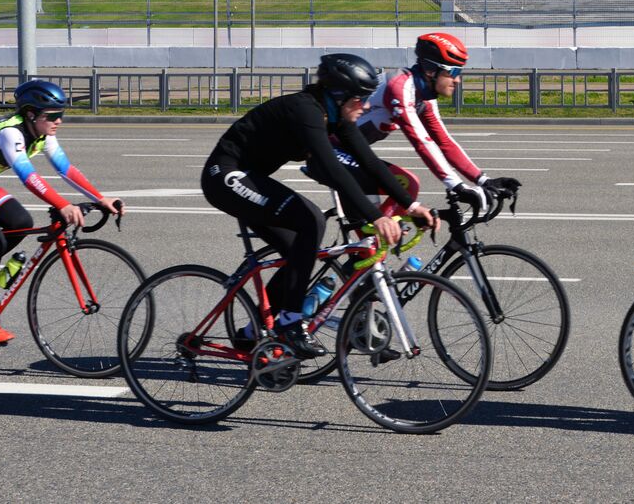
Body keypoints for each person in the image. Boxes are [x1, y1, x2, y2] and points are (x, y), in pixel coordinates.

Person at [201, 54, 432, 358]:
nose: (365, 106)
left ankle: (251, 333)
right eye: (360, 99)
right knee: (311, 220)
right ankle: (291, 322)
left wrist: (410, 205)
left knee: (299, 250)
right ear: (339, 95)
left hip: (251, 177)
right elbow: (332, 168)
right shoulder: (306, 110)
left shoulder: (336, 116)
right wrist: (375, 217)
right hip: (226, 175)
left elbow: (371, 163)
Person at [0, 80, 123, 346]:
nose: (59, 121)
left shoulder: (43, 135)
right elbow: (29, 177)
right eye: (53, 116)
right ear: (31, 114)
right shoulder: (11, 134)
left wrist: (101, 199)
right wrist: (63, 205)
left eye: (61, 115)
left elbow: (66, 169)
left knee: (20, 222)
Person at [340, 32, 521, 217]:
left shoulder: (424, 97)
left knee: (384, 225)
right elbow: (421, 142)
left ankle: (376, 237)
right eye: (453, 72)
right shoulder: (400, 86)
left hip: (352, 153)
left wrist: (483, 180)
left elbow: (445, 142)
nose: (457, 80)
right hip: (330, 150)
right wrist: (457, 186)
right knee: (407, 184)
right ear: (431, 70)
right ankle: (378, 234)